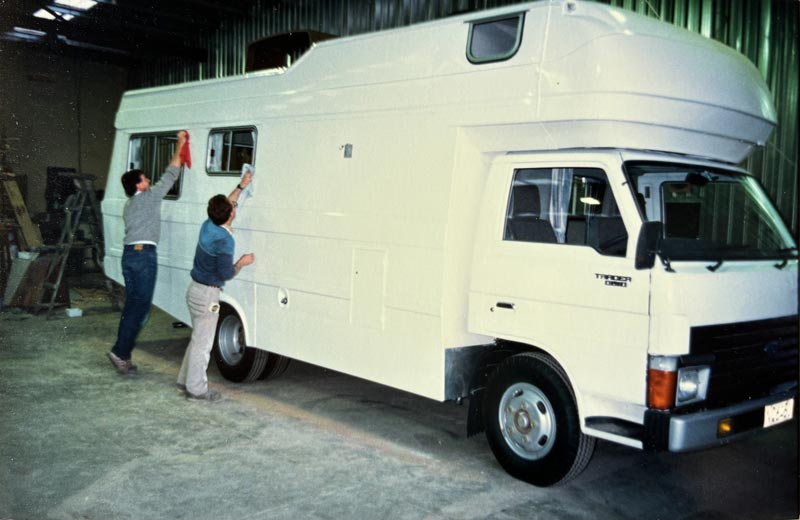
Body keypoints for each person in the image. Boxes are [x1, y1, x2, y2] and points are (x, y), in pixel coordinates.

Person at [107, 130, 189, 375]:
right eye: (145, 179)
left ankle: (121, 352)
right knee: (139, 310)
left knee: (133, 308)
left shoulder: (129, 205)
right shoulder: (148, 198)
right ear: (138, 185)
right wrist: (181, 144)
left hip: (129, 255)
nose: (149, 181)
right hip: (143, 256)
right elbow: (171, 174)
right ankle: (120, 353)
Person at [177, 173, 255, 401]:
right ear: (231, 214)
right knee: (203, 345)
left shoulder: (208, 224)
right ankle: (197, 391)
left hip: (194, 290)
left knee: (197, 339)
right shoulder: (224, 240)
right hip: (208, 295)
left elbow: (227, 204)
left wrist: (241, 186)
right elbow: (226, 273)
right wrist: (242, 262)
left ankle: (185, 382)